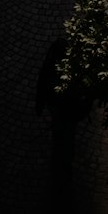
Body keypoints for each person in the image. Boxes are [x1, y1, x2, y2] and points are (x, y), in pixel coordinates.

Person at [36, 35, 92, 197]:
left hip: (62, 111)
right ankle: (63, 173)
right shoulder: (74, 66)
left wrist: (40, 105)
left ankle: (60, 172)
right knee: (66, 142)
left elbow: (43, 81)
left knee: (61, 140)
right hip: (68, 112)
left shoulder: (53, 63)